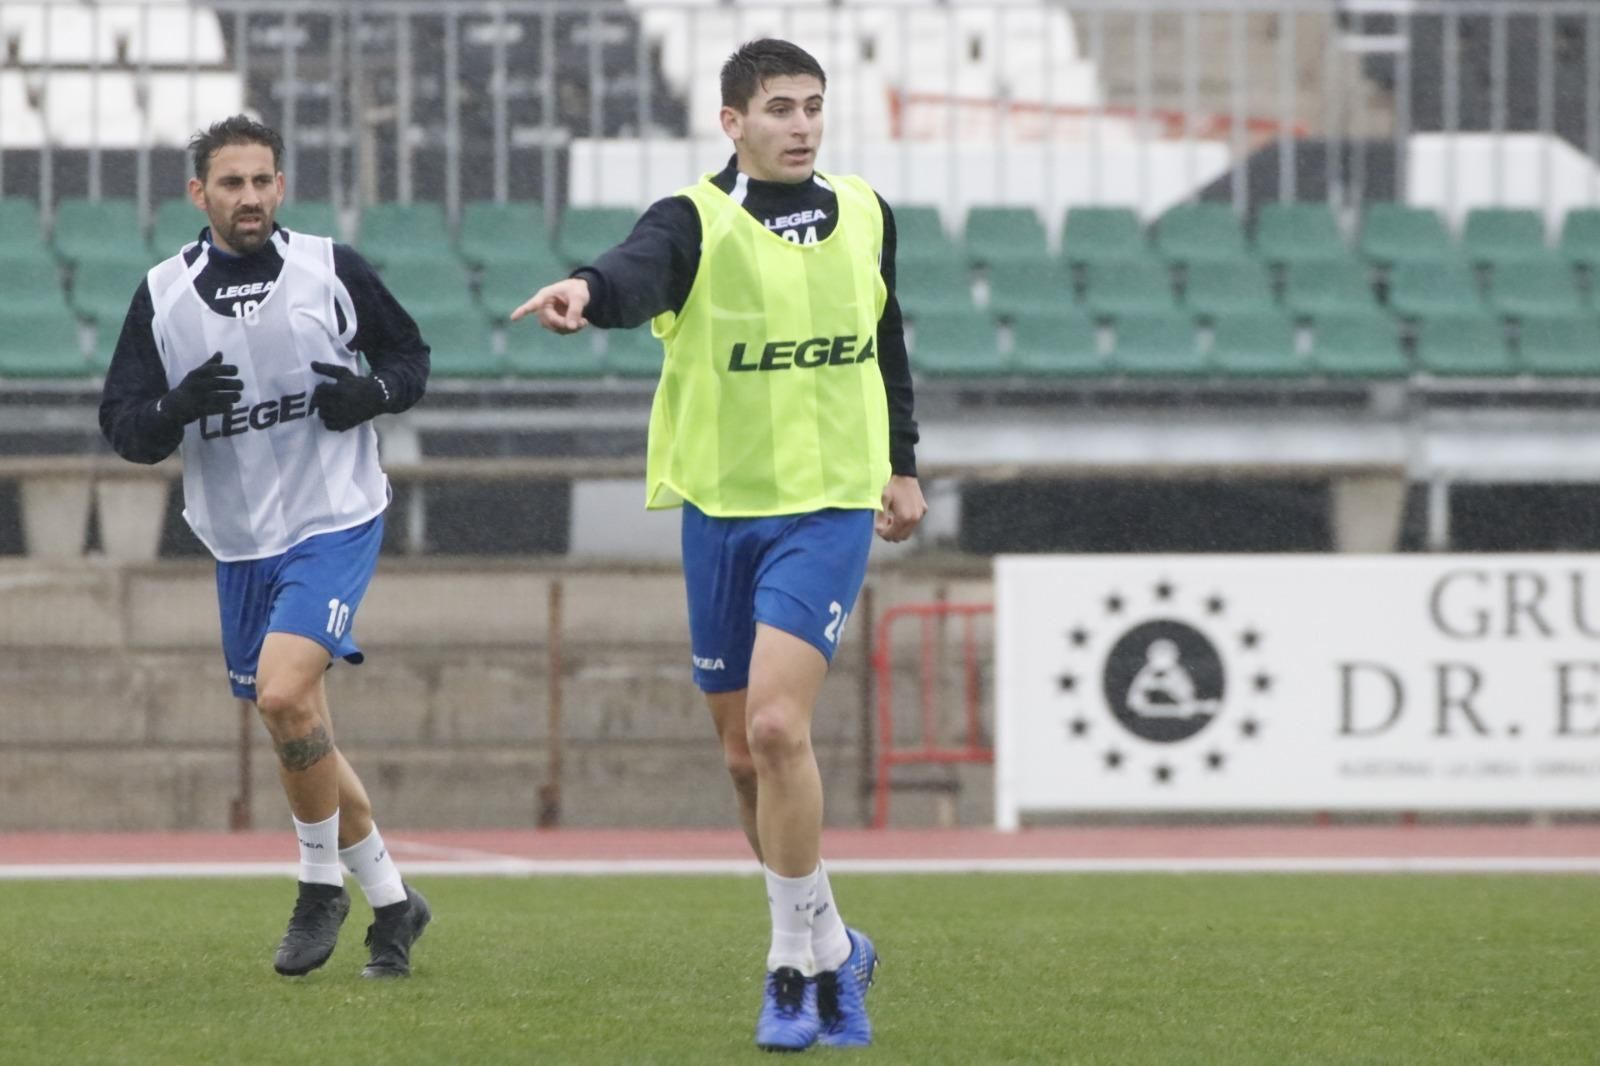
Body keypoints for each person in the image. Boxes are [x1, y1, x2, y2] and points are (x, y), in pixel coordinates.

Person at [513, 39, 926, 1051]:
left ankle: (790, 965)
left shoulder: (867, 212)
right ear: (732, 122)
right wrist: (582, 291)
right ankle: (833, 940)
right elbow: (631, 272)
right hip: (721, 511)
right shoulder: (693, 220)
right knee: (743, 754)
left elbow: (886, 340)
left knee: (781, 729)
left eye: (813, 106)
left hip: (826, 507)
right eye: (779, 107)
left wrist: (902, 462)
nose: (800, 124)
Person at [98, 115, 433, 979]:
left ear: (280, 186)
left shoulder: (330, 269)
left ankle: (319, 884)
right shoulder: (163, 295)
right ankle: (394, 905)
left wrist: (373, 393)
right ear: (198, 192)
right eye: (231, 183)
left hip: (335, 518)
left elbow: (410, 357)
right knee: (302, 727)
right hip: (240, 541)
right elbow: (123, 427)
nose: (249, 197)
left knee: (286, 698)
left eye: (262, 181)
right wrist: (172, 411)